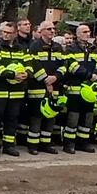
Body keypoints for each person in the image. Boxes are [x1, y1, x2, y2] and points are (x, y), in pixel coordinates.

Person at [0, 22, 27, 157]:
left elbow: (29, 65)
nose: (6, 35)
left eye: (9, 32)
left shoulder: (21, 49)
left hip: (16, 91)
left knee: (12, 119)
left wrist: (27, 74)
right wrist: (12, 74)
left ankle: (8, 146)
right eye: (3, 32)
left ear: (14, 33)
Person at [62, 23, 97, 153]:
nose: (87, 34)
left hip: (90, 90)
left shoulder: (94, 48)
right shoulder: (70, 49)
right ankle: (69, 144)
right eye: (84, 32)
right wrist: (90, 75)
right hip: (75, 89)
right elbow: (72, 66)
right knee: (73, 118)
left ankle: (83, 142)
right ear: (77, 34)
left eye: (89, 31)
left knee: (88, 117)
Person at [26, 21, 63, 154]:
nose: (52, 31)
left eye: (54, 29)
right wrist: (46, 80)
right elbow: (33, 64)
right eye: (49, 29)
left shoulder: (58, 47)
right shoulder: (34, 46)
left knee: (51, 116)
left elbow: (63, 64)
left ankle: (46, 144)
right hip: (38, 88)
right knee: (37, 116)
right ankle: (33, 145)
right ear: (41, 31)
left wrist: (56, 77)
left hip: (54, 87)